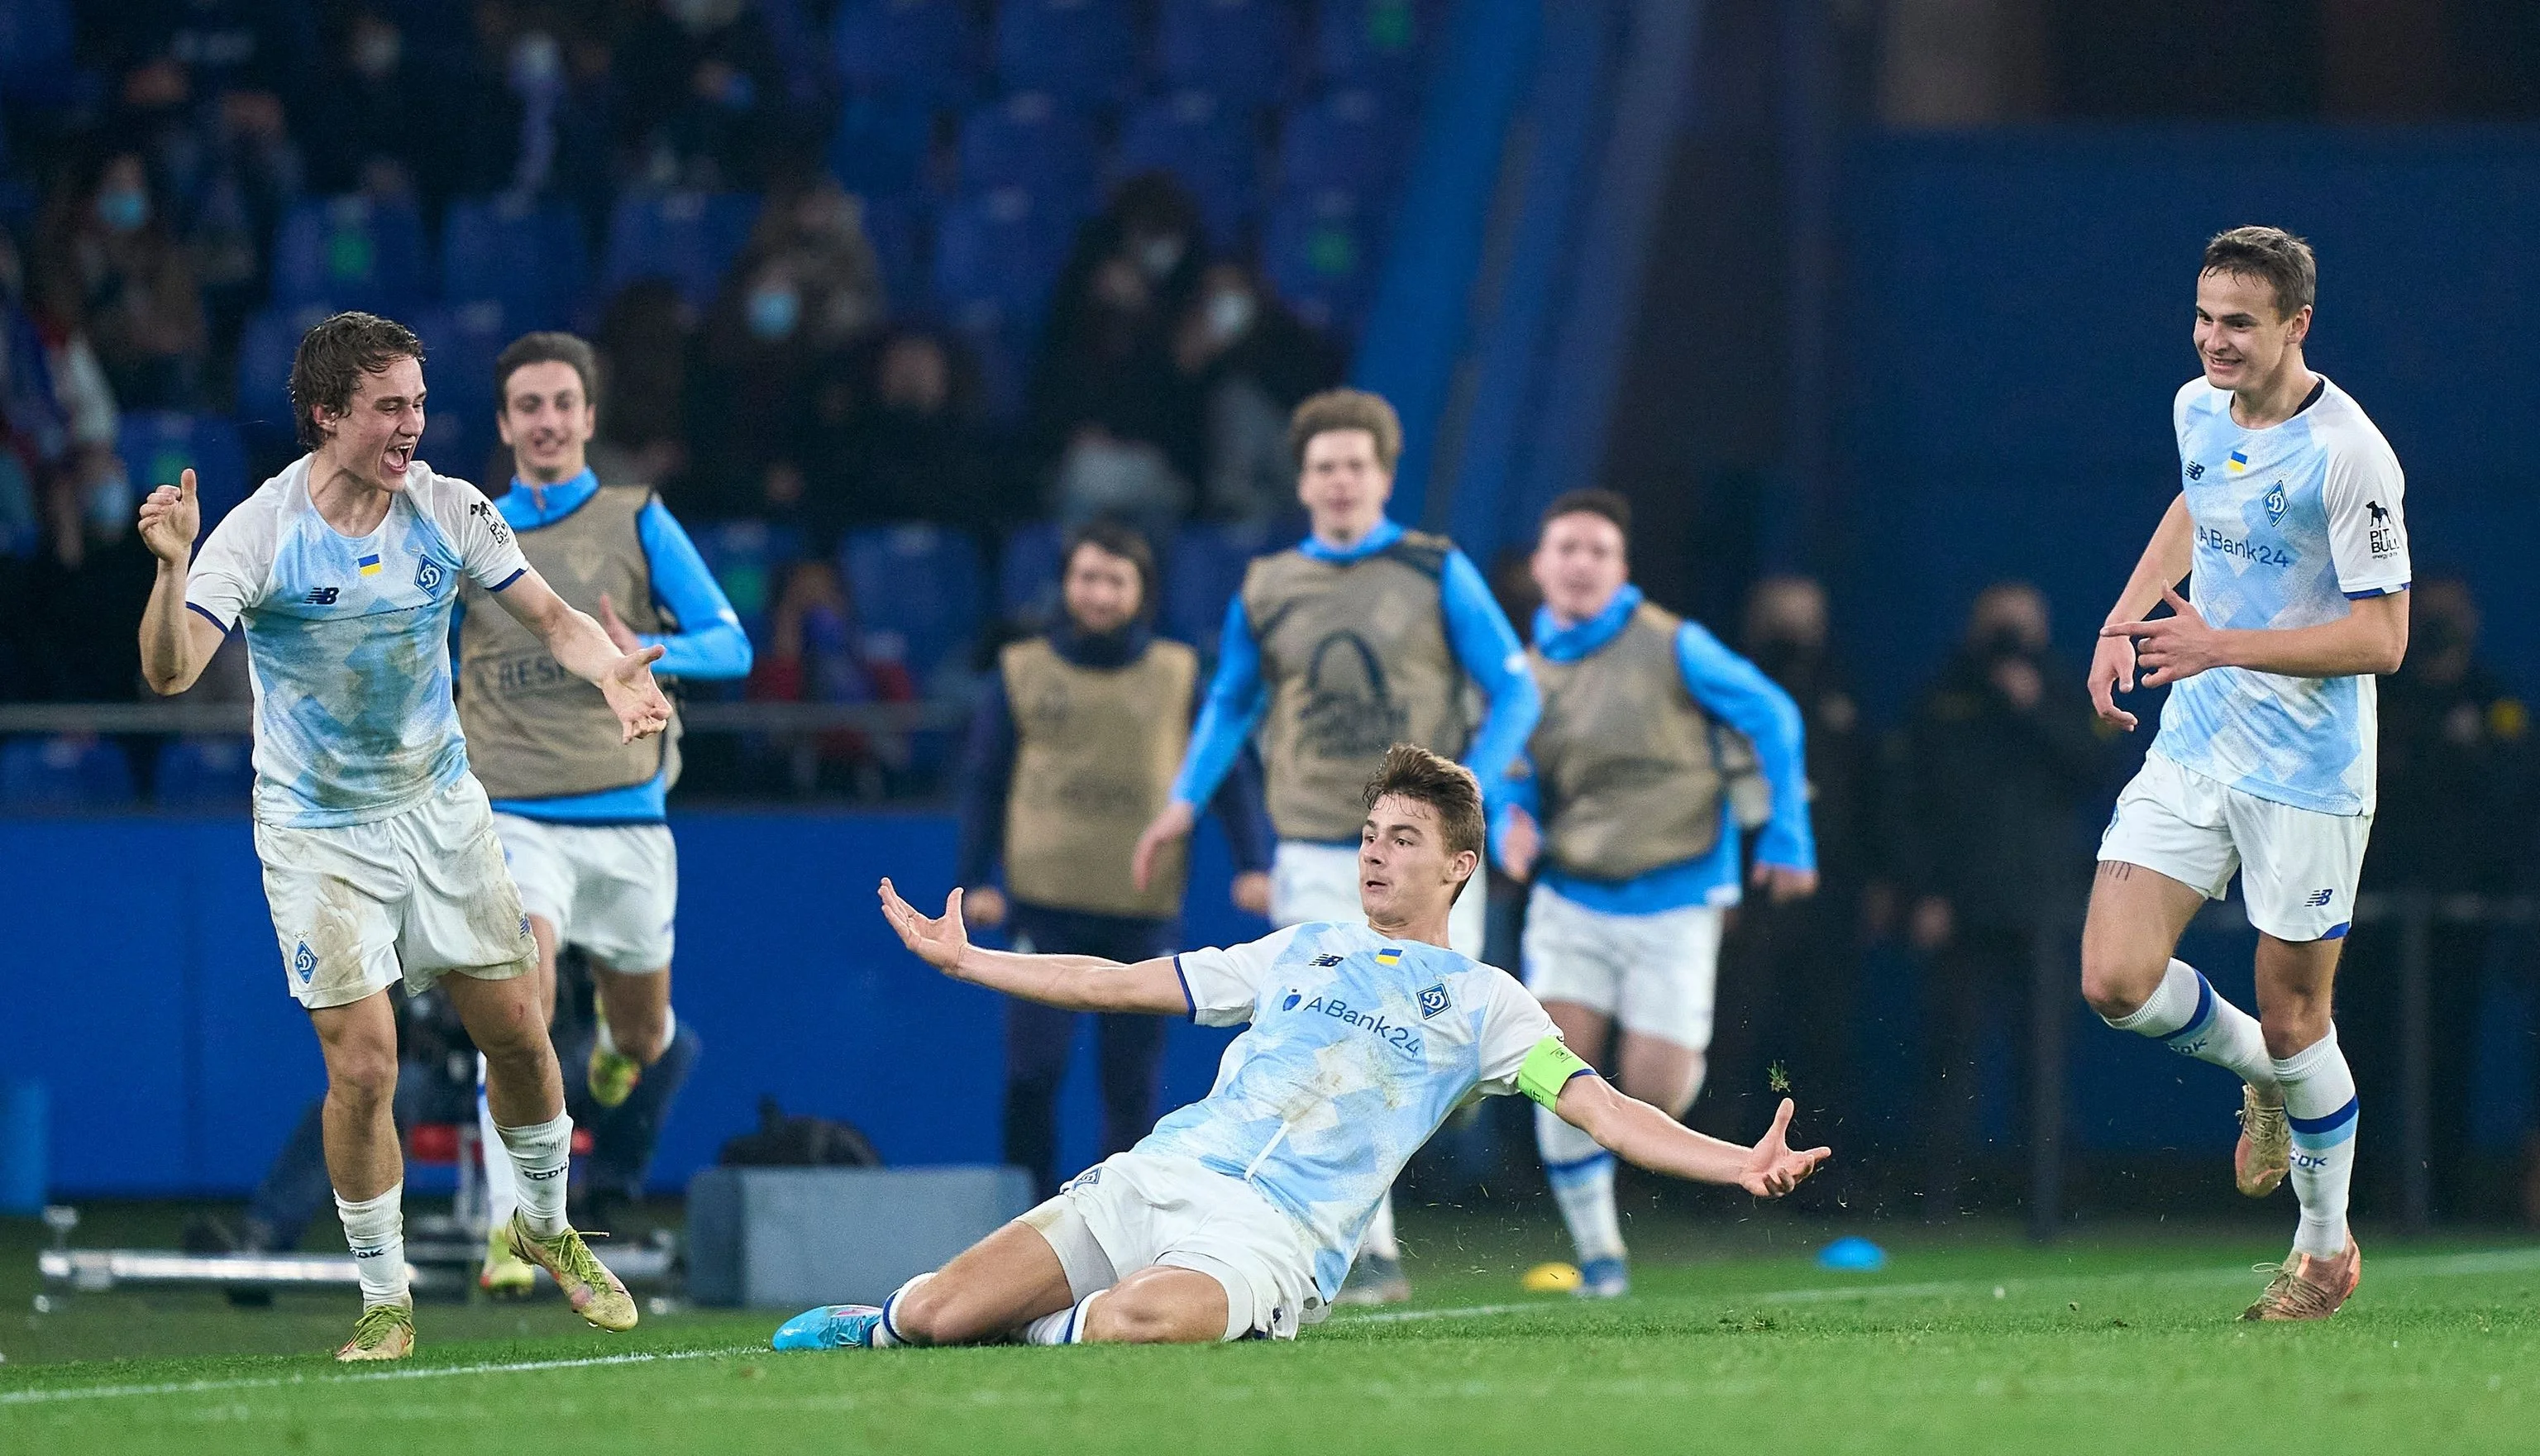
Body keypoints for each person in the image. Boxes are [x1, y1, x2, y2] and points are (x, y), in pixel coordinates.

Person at [773, 745, 1830, 1350]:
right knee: (929, 1314)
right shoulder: (1302, 949)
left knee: (1145, 1326)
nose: (1375, 854)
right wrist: (974, 964)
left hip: (1278, 1237)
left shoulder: (1489, 1003)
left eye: (1402, 840)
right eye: (1370, 835)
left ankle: (1029, 1328)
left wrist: (1735, 1160)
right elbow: (1117, 983)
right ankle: (899, 1324)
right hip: (1163, 1174)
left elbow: (1606, 1112)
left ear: (1460, 867)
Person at [135, 311, 662, 1360]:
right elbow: (168, 670)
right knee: (365, 1067)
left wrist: (612, 671)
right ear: (328, 415)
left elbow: (553, 619)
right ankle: (386, 1300)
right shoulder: (260, 532)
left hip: (439, 810)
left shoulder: (450, 509)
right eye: (390, 406)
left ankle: (547, 1228)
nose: (413, 423)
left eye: (419, 402)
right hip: (316, 831)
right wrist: (168, 569)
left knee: (519, 1028)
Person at [1131, 388, 1541, 1304]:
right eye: (1324, 467)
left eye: (1356, 465)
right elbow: (1233, 699)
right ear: (1305, 479)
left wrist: (1476, 781)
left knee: (1416, 1046)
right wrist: (1181, 802)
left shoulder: (1437, 569)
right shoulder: (1270, 585)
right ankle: (1367, 1251)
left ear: (1384, 476)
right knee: (1317, 1043)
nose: (1341, 481)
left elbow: (1516, 690)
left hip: (1424, 851)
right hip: (1317, 845)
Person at [2084, 227, 2410, 1321]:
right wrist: (2124, 618)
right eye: (2204, 316)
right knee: (2115, 982)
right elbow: (2196, 507)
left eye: (2239, 323)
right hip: (2196, 740)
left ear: (2295, 325)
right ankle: (2260, 1082)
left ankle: (2325, 1250)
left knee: (2294, 1018)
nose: (2213, 341)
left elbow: (2383, 640)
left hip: (2308, 772)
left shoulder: (2350, 454)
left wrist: (2220, 642)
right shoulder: (2194, 406)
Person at [456, 331, 752, 1288]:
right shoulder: (465, 530)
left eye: (562, 404)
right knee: (519, 1006)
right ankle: (515, 1223)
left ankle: (621, 1069)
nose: (546, 421)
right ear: (505, 425)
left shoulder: (637, 519)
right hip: (509, 810)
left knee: (641, 1032)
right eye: (527, 407)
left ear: (588, 416)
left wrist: (655, 654)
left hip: (627, 816)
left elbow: (731, 644)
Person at [1494, 490, 1816, 1297]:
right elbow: (1505, 779)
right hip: (1573, 894)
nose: (1579, 564)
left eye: (1597, 551)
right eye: (1565, 548)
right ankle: (1601, 1256)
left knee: (1661, 1085)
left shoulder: (1674, 645)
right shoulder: (1521, 678)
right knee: (1554, 1071)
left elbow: (1774, 716)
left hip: (1677, 895)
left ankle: (1625, 1189)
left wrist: (1785, 836)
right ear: (1540, 567)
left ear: (1622, 569)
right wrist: (1509, 819)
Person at [954, 520, 1272, 1201]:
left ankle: (1114, 1217)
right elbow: (984, 780)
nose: (1098, 594)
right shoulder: (1020, 668)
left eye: (1115, 580)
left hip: (1142, 909)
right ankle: (1027, 1213)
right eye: (1086, 578)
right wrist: (975, 878)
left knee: (1132, 1086)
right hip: (1044, 903)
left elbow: (1230, 773)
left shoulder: (1178, 671)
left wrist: (1253, 861)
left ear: (1143, 591)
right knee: (1031, 1072)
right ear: (1065, 583)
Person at [1893, 582, 2106, 1216]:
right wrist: (1922, 890)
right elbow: (1910, 800)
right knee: (1949, 1057)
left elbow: (2096, 768)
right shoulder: (1943, 694)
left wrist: (2034, 706)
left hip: (2044, 906)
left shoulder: (2065, 688)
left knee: (2043, 1056)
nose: (2008, 636)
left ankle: (2046, 1197)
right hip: (1960, 906)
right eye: (1997, 624)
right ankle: (1936, 1196)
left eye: (2021, 623)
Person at [2335, 580, 2529, 1221]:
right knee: (2360, 1054)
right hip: (2375, 915)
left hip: (2457, 920)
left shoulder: (2492, 695)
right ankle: (2349, 1201)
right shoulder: (2384, 691)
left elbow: (2510, 787)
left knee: (2448, 1061)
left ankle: (2442, 1199)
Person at [1707, 576, 1876, 1201]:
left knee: (1825, 1038)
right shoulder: (1725, 691)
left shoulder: (1843, 693)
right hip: (1746, 893)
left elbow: (1867, 796)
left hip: (1826, 896)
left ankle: (1826, 1176)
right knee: (1733, 1034)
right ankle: (1722, 1178)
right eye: (1780, 616)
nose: (1793, 631)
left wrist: (1877, 882)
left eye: (1805, 618)